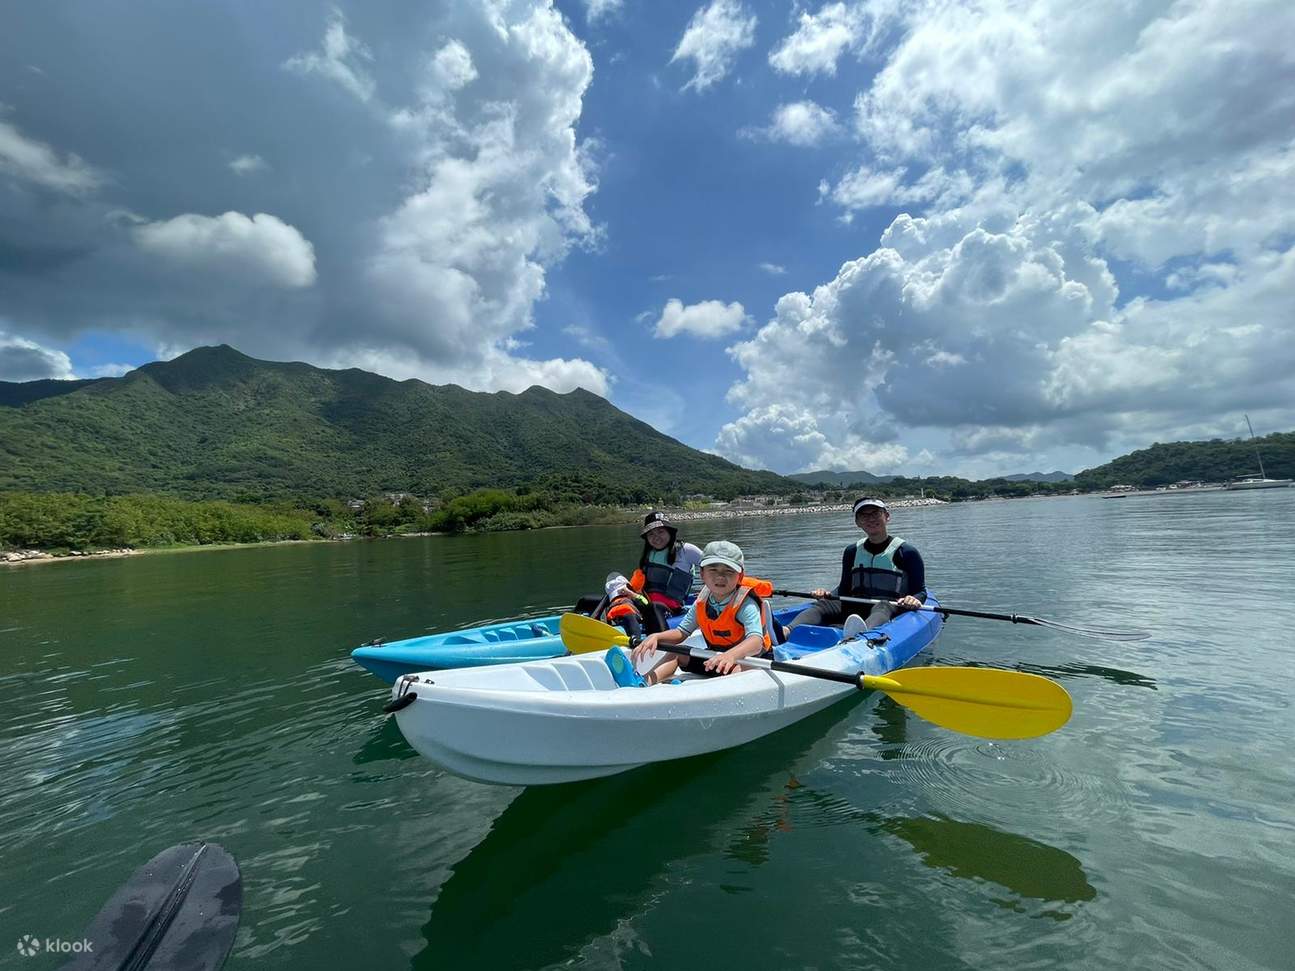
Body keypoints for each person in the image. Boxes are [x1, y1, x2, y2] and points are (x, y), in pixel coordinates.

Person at [612, 540, 776, 686]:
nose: (720, 576)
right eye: (713, 569)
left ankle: (718, 696)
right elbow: (681, 633)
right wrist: (656, 636)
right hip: (716, 658)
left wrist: (731, 656)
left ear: (739, 577)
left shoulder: (745, 604)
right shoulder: (702, 603)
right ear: (702, 574)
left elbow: (755, 642)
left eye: (728, 571)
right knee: (678, 651)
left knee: (740, 667)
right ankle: (644, 683)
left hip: (751, 659)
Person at [786, 497, 926, 632]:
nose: (870, 519)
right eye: (864, 515)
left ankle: (860, 637)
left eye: (876, 513)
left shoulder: (906, 552)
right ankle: (786, 631)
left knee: (882, 606)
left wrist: (913, 599)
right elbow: (844, 588)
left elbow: (920, 591)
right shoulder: (851, 551)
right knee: (823, 605)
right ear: (857, 522)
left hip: (890, 607)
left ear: (887, 516)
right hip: (855, 605)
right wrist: (826, 594)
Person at [626, 511, 703, 629]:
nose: (656, 537)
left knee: (654, 607)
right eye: (651, 534)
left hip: (670, 609)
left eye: (660, 532)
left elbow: (713, 568)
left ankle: (660, 641)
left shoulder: (685, 550)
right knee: (590, 600)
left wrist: (707, 591)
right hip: (644, 603)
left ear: (670, 532)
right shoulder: (648, 554)